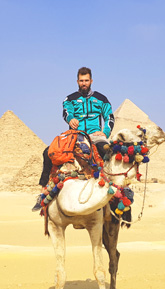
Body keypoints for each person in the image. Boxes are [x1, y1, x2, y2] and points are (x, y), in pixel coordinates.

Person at [32, 67, 115, 211]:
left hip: (95, 136)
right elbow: (66, 112)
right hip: (74, 135)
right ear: (77, 81)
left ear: (91, 81)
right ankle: (43, 191)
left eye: (86, 81)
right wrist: (71, 119)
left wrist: (105, 132)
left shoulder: (102, 99)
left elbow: (109, 117)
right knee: (48, 152)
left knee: (109, 153)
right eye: (81, 81)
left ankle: (115, 192)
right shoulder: (70, 99)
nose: (84, 83)